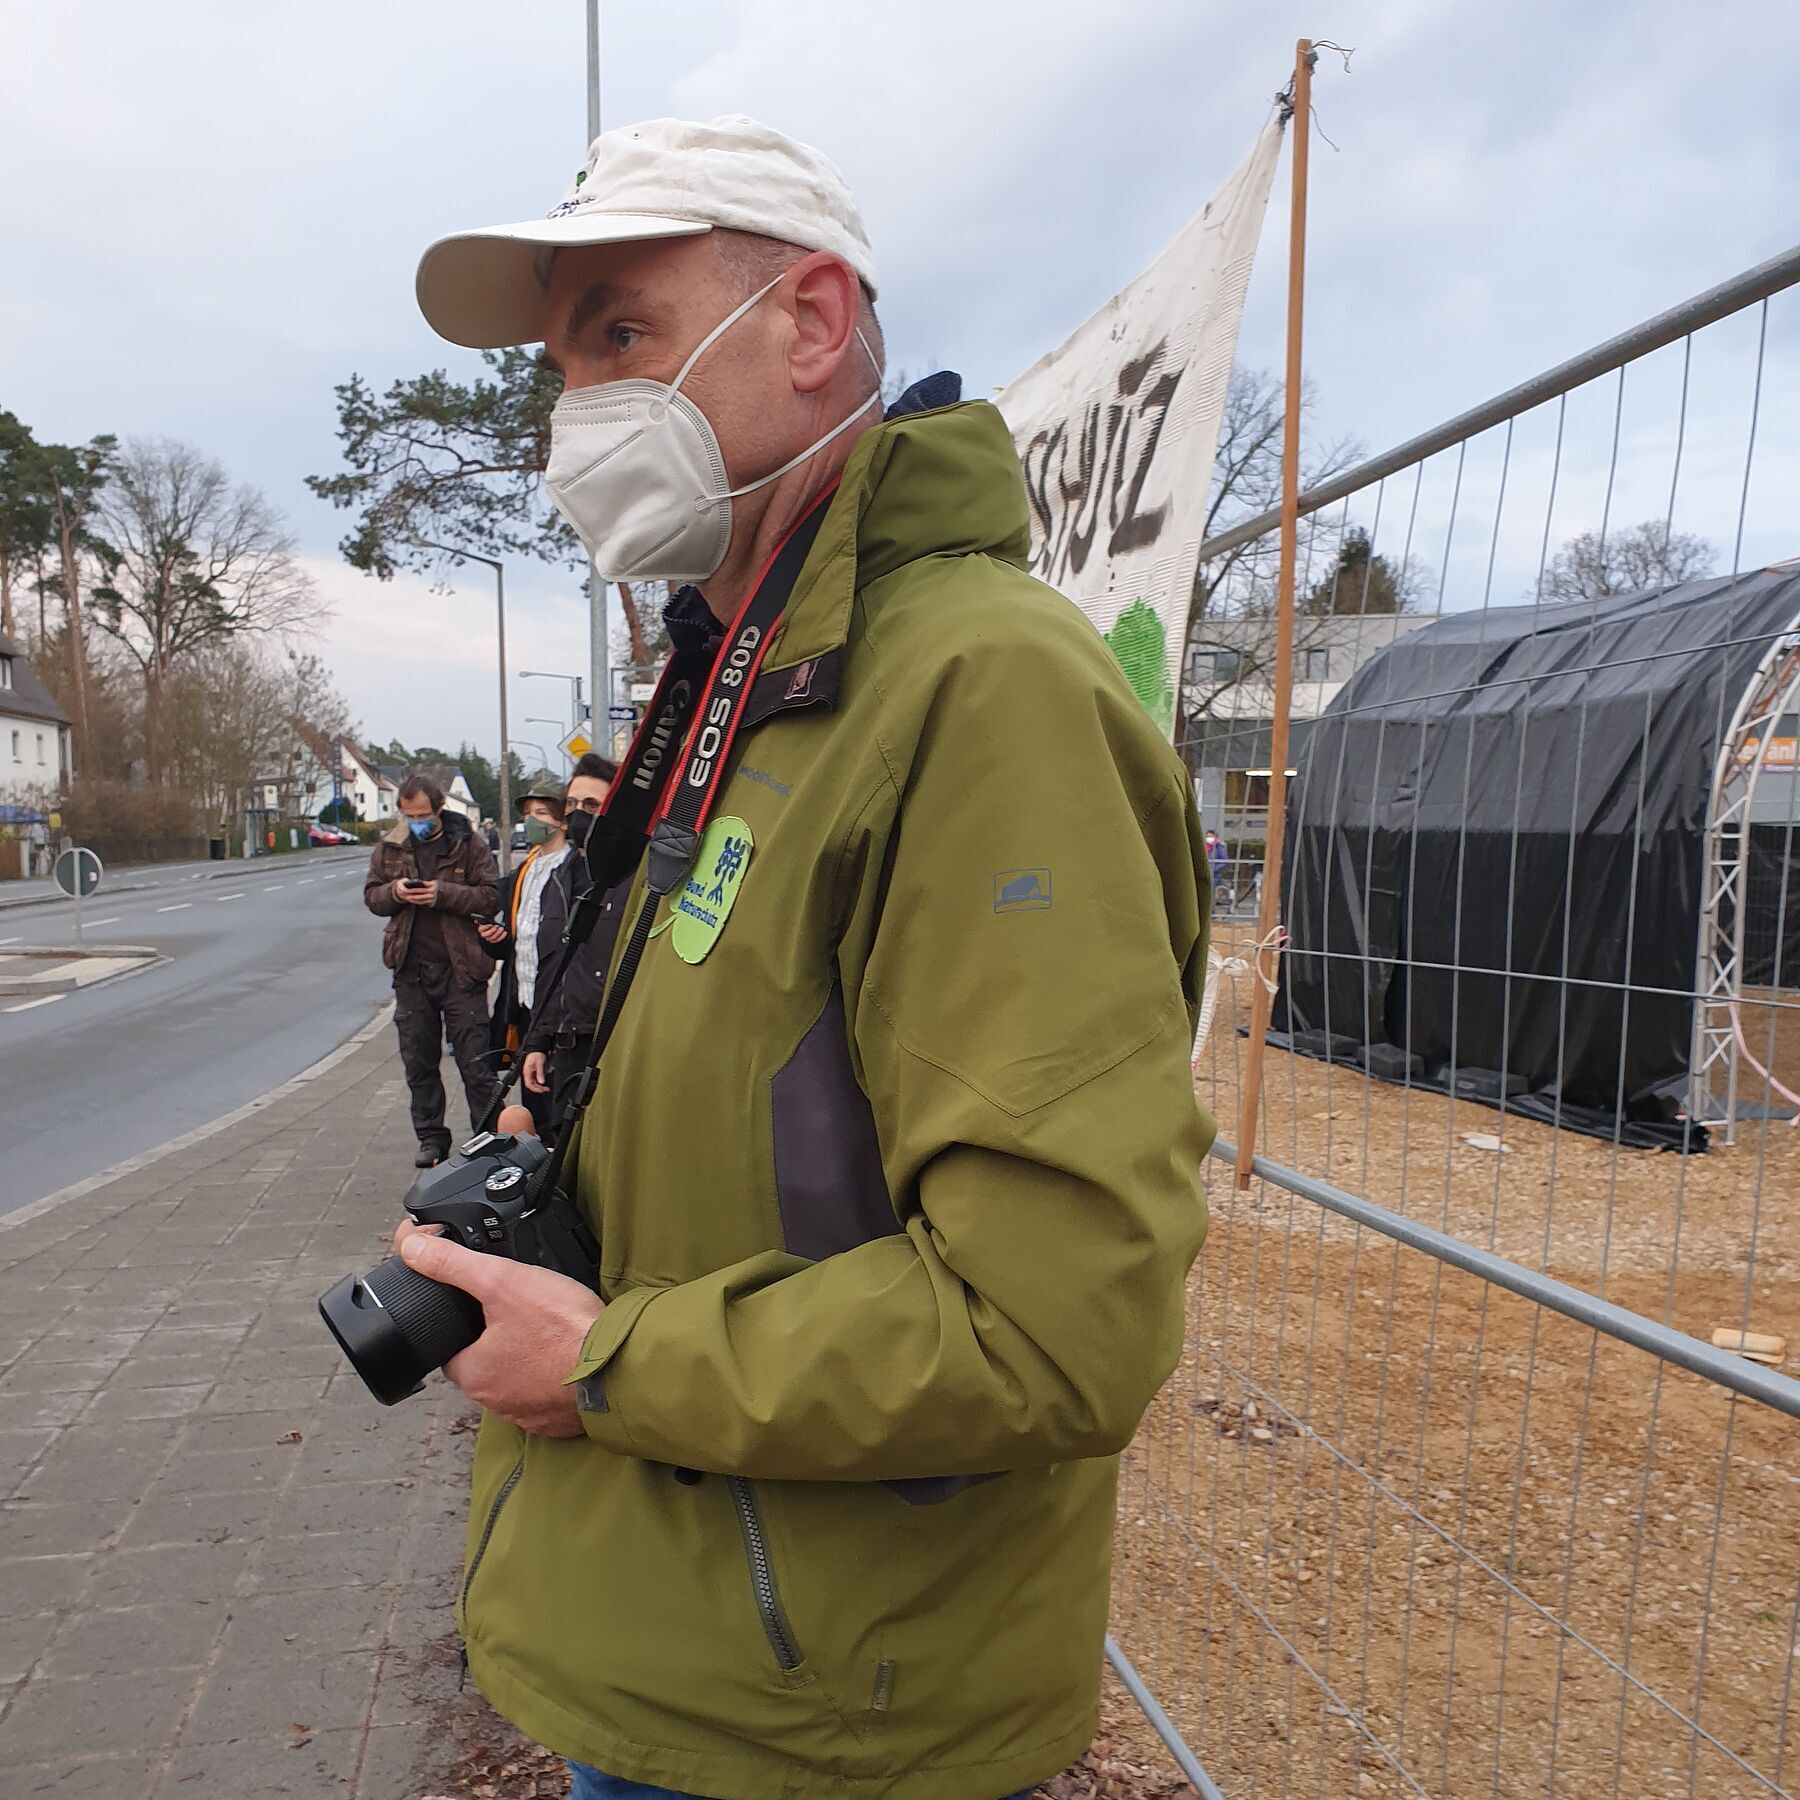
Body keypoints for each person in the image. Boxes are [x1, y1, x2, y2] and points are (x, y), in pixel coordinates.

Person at [393, 115, 1212, 1800]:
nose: (579, 413)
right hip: (687, 1665)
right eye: (563, 367)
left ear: (816, 322)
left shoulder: (982, 693)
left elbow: (1052, 1326)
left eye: (622, 334)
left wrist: (604, 1363)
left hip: (823, 1721)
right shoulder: (753, 682)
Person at [364, 773, 501, 1167]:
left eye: (423, 814)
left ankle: (489, 1138)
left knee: (476, 1063)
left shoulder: (468, 845)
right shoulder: (391, 846)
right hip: (410, 971)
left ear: (440, 809)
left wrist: (442, 894)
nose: (417, 822)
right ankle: (431, 1139)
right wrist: (396, 893)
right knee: (419, 1062)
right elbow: (372, 896)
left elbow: (491, 896)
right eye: (409, 815)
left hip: (461, 969)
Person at [517, 753, 624, 1135]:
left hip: (613, 1048)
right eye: (573, 804)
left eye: (592, 805)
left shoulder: (634, 880)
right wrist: (536, 1042)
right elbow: (553, 966)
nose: (580, 814)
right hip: (565, 1048)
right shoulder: (560, 877)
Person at [479, 783, 573, 1134]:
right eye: (527, 815)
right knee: (533, 1099)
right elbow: (519, 943)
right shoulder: (524, 871)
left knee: (558, 1102)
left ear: (562, 822)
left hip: (560, 1006)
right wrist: (493, 941)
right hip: (526, 1006)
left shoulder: (571, 869)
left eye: (540, 815)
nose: (531, 822)